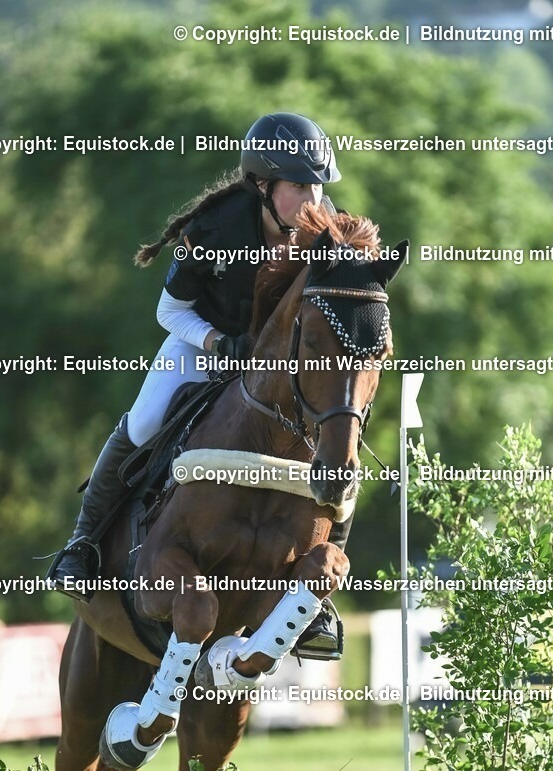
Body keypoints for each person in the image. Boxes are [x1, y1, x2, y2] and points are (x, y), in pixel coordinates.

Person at [48, 111, 348, 659]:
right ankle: (83, 545)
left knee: (335, 439)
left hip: (276, 366)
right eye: (299, 185)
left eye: (317, 184)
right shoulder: (212, 231)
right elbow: (169, 309)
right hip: (200, 346)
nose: (314, 198)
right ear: (262, 186)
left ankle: (319, 601)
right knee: (143, 421)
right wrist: (213, 342)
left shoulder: (329, 231)